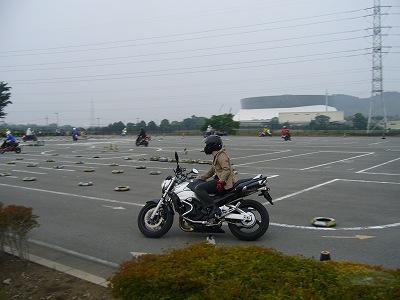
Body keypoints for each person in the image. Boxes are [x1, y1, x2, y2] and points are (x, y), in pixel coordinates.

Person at [195, 135, 236, 219]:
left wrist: (221, 181)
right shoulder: (217, 156)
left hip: (224, 183)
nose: (205, 146)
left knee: (199, 188)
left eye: (207, 144)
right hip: (220, 180)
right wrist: (200, 178)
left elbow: (226, 169)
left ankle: (212, 208)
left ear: (211, 145)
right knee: (201, 185)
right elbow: (211, 171)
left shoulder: (221, 156)